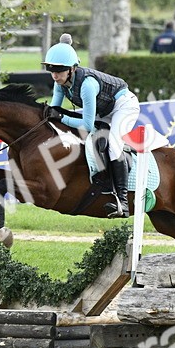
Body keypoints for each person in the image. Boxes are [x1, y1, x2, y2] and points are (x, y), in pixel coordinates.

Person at [42, 34, 139, 217]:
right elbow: (55, 110)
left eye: (59, 70)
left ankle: (123, 202)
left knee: (113, 144)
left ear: (72, 69)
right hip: (105, 111)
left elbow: (85, 125)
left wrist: (60, 118)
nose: (55, 75)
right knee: (95, 142)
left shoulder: (87, 85)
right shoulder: (60, 83)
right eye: (51, 70)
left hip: (124, 106)